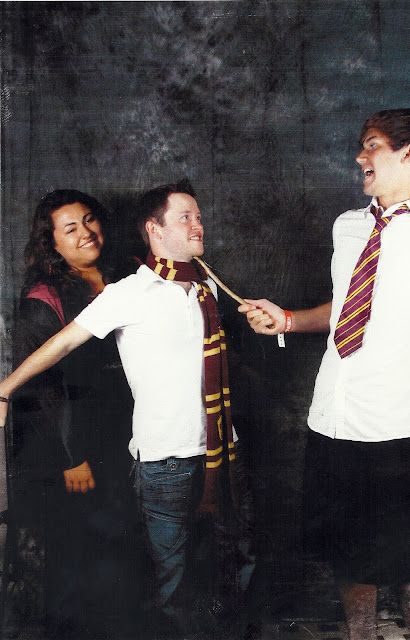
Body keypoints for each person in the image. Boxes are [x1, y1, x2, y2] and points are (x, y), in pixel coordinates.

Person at [238, 109, 410, 640]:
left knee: (402, 566)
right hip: (328, 419)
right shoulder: (348, 226)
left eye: (372, 145)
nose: (360, 156)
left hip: (386, 428)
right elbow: (346, 310)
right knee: (344, 556)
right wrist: (288, 320)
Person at [0, 180, 255, 639]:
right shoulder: (127, 292)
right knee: (169, 572)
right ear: (154, 229)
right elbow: (60, 347)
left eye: (199, 216)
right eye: (185, 217)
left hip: (222, 449)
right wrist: (5, 389)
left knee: (235, 553)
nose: (198, 225)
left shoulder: (207, 287)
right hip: (160, 458)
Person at [9, 189, 142, 639]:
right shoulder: (43, 298)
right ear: (52, 243)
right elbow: (42, 389)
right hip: (73, 439)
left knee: (124, 541)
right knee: (79, 548)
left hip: (125, 428)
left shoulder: (126, 276)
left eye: (89, 220)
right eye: (70, 229)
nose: (86, 232)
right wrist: (72, 456)